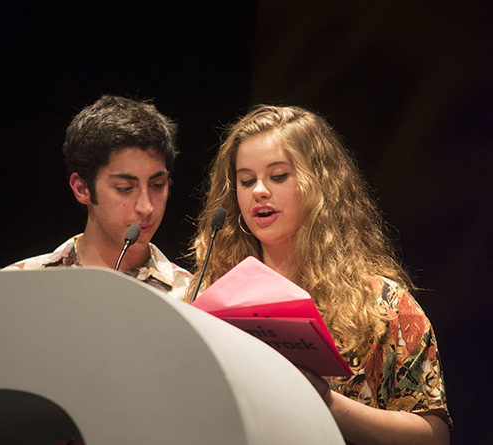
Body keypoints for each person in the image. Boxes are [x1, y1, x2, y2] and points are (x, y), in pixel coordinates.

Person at [188, 105, 452, 444]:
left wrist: (328, 403)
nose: (259, 191)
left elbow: (434, 436)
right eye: (246, 180)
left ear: (320, 184)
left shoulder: (383, 305)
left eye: (278, 176)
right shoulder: (210, 297)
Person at [4, 95, 191, 301]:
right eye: (125, 188)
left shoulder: (192, 297)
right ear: (82, 188)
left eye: (157, 185)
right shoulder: (16, 285)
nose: (146, 207)